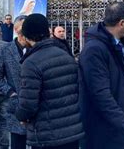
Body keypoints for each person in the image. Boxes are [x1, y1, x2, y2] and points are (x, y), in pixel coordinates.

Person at [79, 2, 124, 149]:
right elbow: (101, 95)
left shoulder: (119, 44)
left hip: (120, 130)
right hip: (104, 134)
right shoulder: (94, 50)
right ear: (122, 23)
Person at [15, 14, 84, 149]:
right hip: (72, 131)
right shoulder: (66, 56)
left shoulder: (31, 63)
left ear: (27, 36)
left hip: (47, 134)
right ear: (48, 32)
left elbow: (28, 105)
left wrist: (21, 115)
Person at [0, 15, 28, 149]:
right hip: (16, 105)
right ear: (17, 29)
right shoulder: (5, 50)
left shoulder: (37, 48)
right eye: (24, 27)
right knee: (18, 143)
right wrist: (10, 92)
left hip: (37, 107)